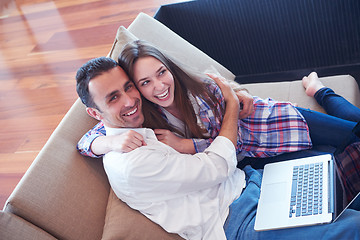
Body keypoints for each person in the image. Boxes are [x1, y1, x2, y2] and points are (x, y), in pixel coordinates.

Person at [76, 57, 360, 240]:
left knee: (337, 174)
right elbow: (217, 166)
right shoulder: (132, 155)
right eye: (114, 97)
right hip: (237, 218)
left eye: (128, 88)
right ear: (95, 112)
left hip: (257, 169)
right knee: (350, 223)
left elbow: (230, 93)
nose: (129, 100)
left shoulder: (142, 117)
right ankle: (321, 92)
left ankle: (320, 93)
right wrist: (103, 142)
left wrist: (238, 97)